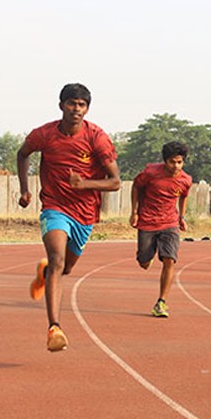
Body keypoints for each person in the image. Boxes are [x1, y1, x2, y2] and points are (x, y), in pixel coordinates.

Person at [17, 83, 121, 352]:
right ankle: (55, 327)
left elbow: (115, 182)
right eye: (71, 103)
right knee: (57, 259)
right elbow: (22, 153)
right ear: (61, 105)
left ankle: (45, 273)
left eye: (82, 105)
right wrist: (25, 190)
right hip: (54, 206)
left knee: (66, 269)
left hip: (85, 213)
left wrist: (84, 184)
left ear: (87, 109)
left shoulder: (97, 138)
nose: (76, 109)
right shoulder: (44, 134)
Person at [130, 142, 193, 318]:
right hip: (148, 221)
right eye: (172, 162)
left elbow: (184, 196)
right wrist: (134, 212)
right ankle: (146, 257)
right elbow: (136, 187)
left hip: (170, 223)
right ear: (165, 161)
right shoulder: (150, 173)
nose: (176, 166)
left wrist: (182, 217)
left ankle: (161, 302)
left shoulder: (186, 179)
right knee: (143, 261)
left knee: (169, 260)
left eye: (180, 162)